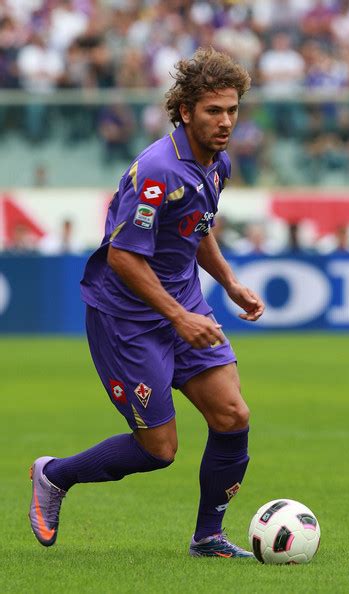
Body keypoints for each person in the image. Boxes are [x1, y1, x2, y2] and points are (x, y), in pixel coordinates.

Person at [28, 47, 265, 558]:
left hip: (183, 307)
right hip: (128, 319)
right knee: (159, 451)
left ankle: (208, 537)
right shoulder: (158, 171)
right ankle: (54, 475)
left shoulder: (217, 162)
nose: (226, 122)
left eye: (232, 110)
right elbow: (123, 259)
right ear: (185, 111)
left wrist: (227, 281)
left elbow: (196, 228)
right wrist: (179, 317)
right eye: (213, 111)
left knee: (232, 416)